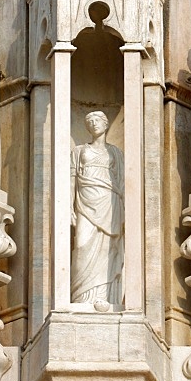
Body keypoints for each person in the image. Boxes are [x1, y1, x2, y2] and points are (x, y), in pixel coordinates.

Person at [71, 111, 124, 308]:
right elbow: (71, 181)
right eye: (89, 121)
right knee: (82, 244)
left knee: (108, 248)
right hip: (84, 202)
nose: (93, 124)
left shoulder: (116, 153)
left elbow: (123, 183)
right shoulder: (78, 151)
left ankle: (105, 296)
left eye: (97, 120)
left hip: (109, 202)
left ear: (106, 123)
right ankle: (81, 297)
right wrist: (69, 206)